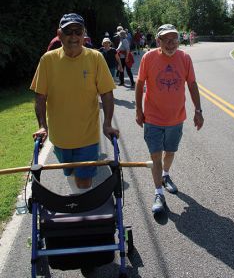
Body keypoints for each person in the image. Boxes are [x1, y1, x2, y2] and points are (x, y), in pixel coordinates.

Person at [30, 13, 119, 193]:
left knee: (84, 181)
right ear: (59, 34)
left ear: (84, 34)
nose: (73, 36)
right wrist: (42, 126)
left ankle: (81, 210)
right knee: (69, 173)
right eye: (68, 31)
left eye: (78, 32)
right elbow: (40, 96)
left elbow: (107, 93)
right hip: (60, 138)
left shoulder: (95, 58)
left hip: (88, 136)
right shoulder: (48, 60)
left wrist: (107, 124)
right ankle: (78, 201)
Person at [135, 24, 204, 214]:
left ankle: (166, 175)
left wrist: (198, 110)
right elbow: (140, 83)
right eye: (166, 39)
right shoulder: (148, 58)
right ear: (158, 41)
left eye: (174, 39)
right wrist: (138, 110)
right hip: (153, 117)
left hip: (176, 118)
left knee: (170, 152)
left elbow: (192, 84)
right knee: (155, 155)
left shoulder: (185, 58)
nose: (171, 43)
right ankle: (158, 193)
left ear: (179, 40)